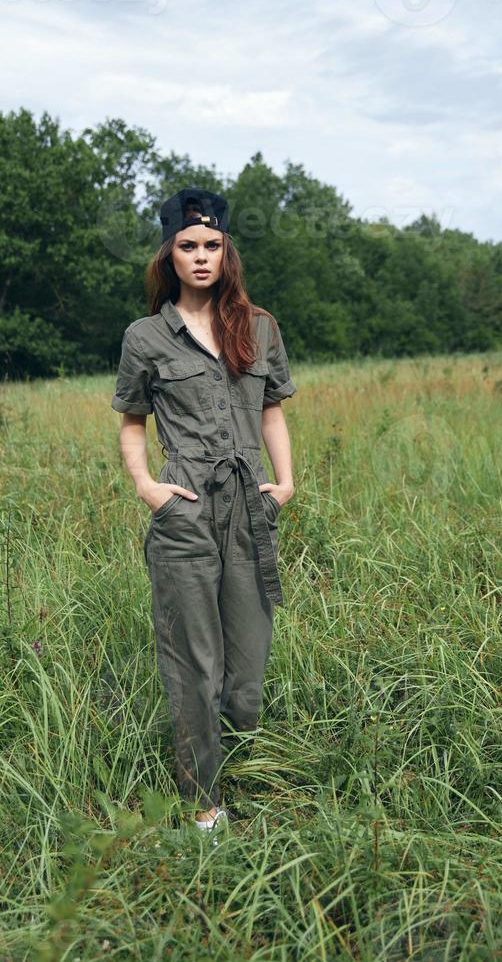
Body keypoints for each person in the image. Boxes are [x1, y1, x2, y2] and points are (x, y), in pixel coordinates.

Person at [110, 187, 297, 835]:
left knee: (247, 666)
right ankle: (205, 806)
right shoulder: (147, 338)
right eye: (187, 246)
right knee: (196, 664)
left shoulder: (259, 326)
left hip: (250, 507)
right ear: (168, 253)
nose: (200, 256)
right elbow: (132, 421)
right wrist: (146, 485)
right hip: (185, 511)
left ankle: (249, 773)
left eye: (211, 245)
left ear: (226, 251)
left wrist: (287, 480)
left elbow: (272, 407)